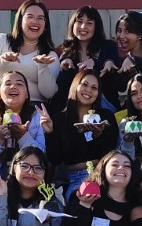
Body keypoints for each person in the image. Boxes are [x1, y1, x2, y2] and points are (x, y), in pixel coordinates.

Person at [45, 68, 119, 197]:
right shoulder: (60, 119)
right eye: (84, 84)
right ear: (75, 86)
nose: (88, 90)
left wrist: (98, 135)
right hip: (72, 178)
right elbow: (55, 158)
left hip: (101, 174)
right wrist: (50, 132)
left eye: (94, 88)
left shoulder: (105, 117)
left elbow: (111, 151)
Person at [62, 149, 137, 226]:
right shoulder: (84, 196)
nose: (121, 168)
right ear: (103, 169)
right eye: (115, 164)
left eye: (127, 166)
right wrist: (84, 205)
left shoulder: (136, 205)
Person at [0, 0, 60, 101]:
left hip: (32, 107)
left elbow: (49, 93)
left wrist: (43, 67)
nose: (35, 21)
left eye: (40, 18)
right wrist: (2, 60)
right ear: (20, 20)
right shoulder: (1, 40)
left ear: (45, 26)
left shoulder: (50, 55)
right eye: (30, 16)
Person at [0, 69, 49, 171]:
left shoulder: (37, 117)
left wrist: (23, 136)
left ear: (27, 94)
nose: (13, 87)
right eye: (8, 84)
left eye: (19, 84)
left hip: (28, 174)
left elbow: (41, 157)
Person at [52, 4, 123, 102]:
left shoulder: (108, 47)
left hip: (103, 107)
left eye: (89, 23)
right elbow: (61, 89)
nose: (83, 27)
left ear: (96, 27)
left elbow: (116, 80)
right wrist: (64, 70)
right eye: (79, 22)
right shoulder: (67, 52)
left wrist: (96, 63)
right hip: (74, 108)